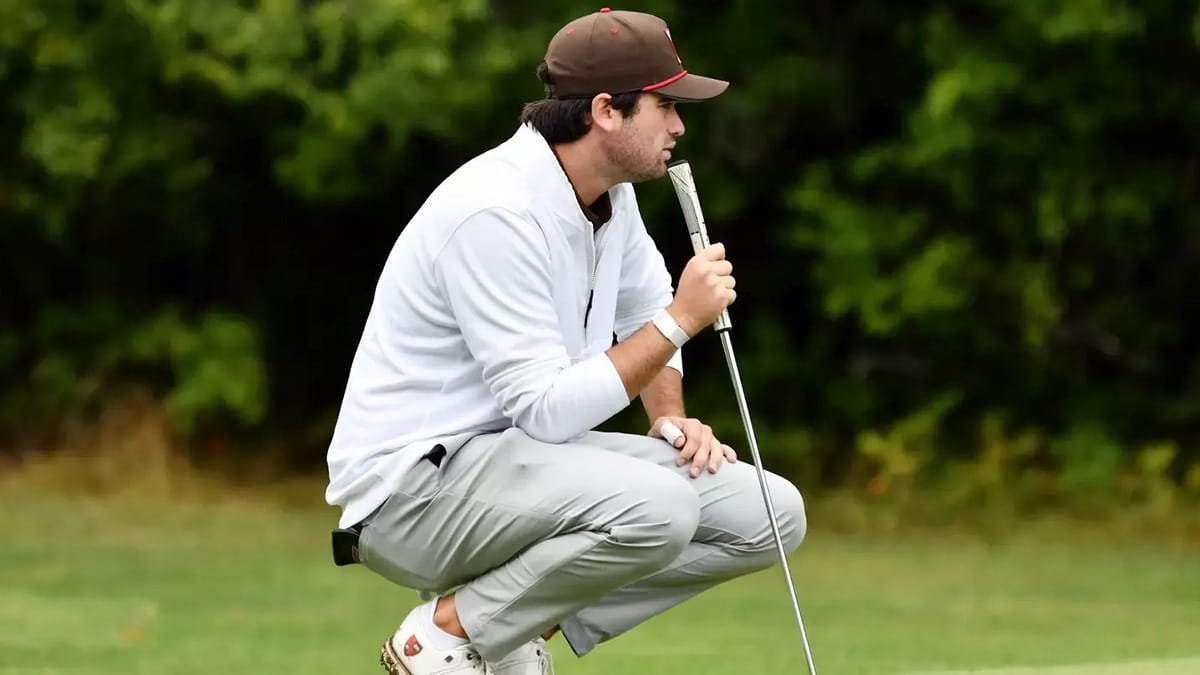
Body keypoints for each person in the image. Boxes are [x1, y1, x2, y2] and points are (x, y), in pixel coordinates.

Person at [325, 7, 807, 675]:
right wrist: (683, 319)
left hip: (515, 469)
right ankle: (442, 633)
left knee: (769, 513)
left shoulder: (611, 192)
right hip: (411, 494)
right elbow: (547, 408)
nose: (678, 125)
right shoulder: (496, 210)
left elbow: (644, 303)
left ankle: (509, 626)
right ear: (607, 111)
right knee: (660, 507)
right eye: (665, 105)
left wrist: (668, 416)